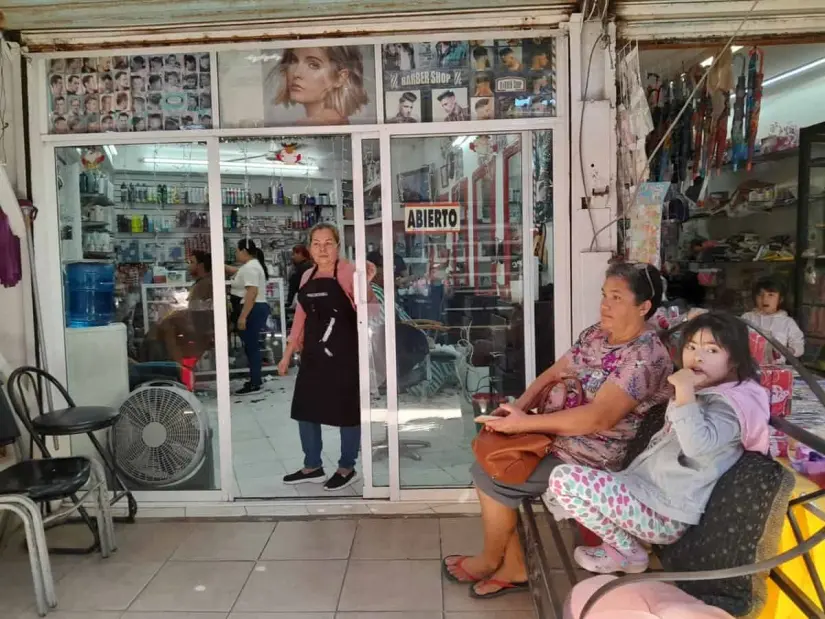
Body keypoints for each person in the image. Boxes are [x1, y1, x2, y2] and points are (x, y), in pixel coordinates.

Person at [444, 262, 673, 599]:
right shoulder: (598, 334)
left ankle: (492, 560)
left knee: (496, 475)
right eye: (604, 295)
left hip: (597, 454)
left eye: (616, 297)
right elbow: (553, 373)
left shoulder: (645, 356)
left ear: (644, 307)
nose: (605, 305)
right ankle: (514, 564)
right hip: (559, 436)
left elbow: (599, 418)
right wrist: (518, 409)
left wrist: (525, 424)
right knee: (490, 455)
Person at [547, 311, 769, 574]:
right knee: (563, 483)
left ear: (734, 359)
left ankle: (628, 553)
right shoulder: (709, 392)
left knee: (564, 481)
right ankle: (620, 546)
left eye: (712, 350)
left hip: (664, 513)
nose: (697, 356)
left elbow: (696, 446)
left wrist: (685, 391)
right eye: (691, 347)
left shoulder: (730, 407)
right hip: (648, 495)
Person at [277, 223, 375, 491]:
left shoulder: (349, 271)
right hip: (313, 355)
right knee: (305, 409)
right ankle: (313, 466)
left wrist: (365, 283)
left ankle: (347, 467)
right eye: (317, 243)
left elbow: (369, 309)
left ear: (338, 246)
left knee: (347, 412)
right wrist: (287, 354)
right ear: (309, 248)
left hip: (345, 354)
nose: (322, 249)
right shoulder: (306, 276)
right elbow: (300, 317)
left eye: (328, 243)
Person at [141, 251, 214, 364]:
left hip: (201, 327)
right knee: (161, 327)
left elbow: (199, 314)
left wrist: (174, 317)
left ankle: (177, 367)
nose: (189, 266)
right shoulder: (202, 283)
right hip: (198, 324)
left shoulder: (204, 284)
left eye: (192, 262)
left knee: (164, 327)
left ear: (200, 266)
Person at [271, 46, 369, 125]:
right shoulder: (338, 121)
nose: (297, 73)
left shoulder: (311, 124)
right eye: (293, 61)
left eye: (313, 65)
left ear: (340, 78)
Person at [225, 239, 271, 396]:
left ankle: (255, 383)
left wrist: (243, 317)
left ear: (244, 251)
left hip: (253, 309)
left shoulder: (251, 268)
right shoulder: (250, 266)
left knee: (252, 347)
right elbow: (237, 273)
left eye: (237, 251)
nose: (236, 254)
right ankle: (255, 379)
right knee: (251, 346)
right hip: (255, 308)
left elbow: (252, 293)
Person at [742, 275, 804, 363]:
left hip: (776, 369)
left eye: (771, 295)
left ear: (780, 299)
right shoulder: (747, 318)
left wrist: (789, 351)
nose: (765, 299)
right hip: (749, 367)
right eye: (760, 295)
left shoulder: (787, 322)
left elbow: (798, 345)